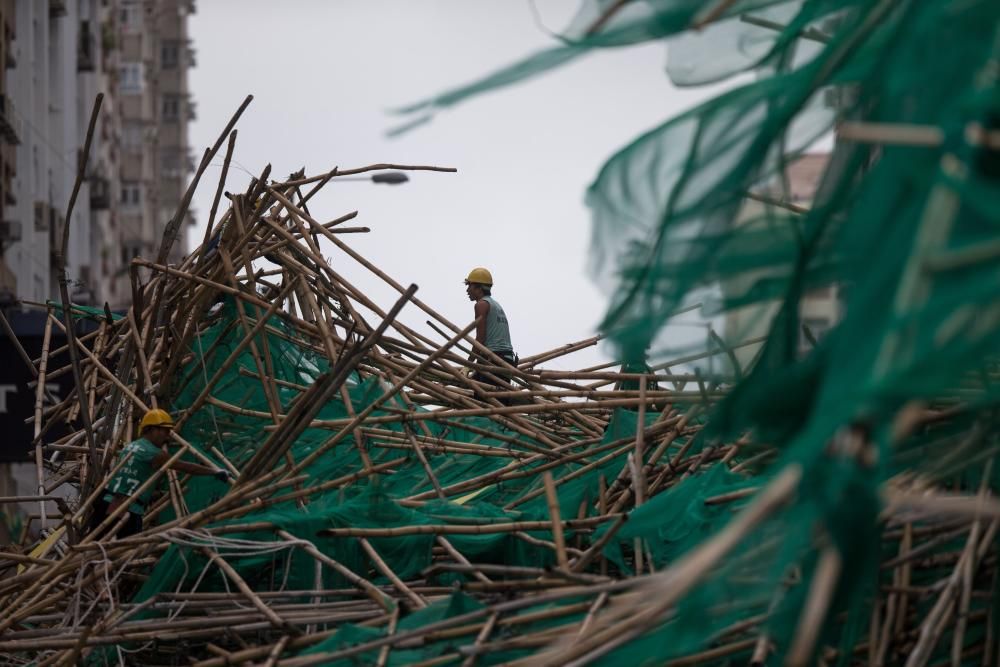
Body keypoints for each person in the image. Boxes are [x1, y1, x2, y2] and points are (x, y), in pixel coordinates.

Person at [88, 409, 230, 538]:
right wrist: (214, 472)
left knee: (94, 544)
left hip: (107, 501)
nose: (167, 437)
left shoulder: (130, 446)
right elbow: (187, 467)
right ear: (151, 429)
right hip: (128, 508)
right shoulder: (154, 453)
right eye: (165, 431)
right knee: (127, 551)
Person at [464, 267, 517, 389]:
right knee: (498, 401)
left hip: (493, 359)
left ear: (479, 288)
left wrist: (468, 364)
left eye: (470, 286)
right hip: (506, 359)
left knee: (484, 400)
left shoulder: (481, 305)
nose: (467, 290)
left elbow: (480, 339)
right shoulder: (496, 305)